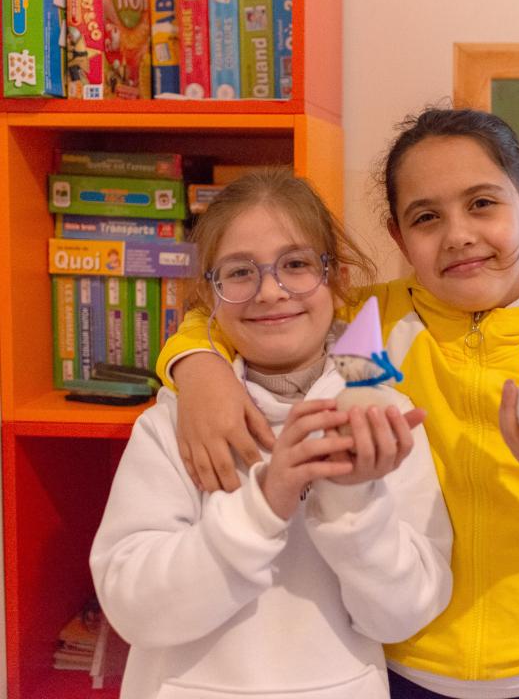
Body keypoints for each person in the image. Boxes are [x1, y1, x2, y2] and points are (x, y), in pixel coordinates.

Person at [157, 108, 519, 699]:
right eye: (426, 217)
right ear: (398, 237)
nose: (459, 234)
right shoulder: (367, 319)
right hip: (396, 671)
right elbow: (249, 312)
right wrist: (198, 367)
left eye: (482, 204)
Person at [90, 170, 453, 699]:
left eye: (297, 265)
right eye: (239, 273)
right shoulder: (173, 424)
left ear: (339, 280)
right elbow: (132, 608)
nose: (269, 291)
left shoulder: (388, 418)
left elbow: (403, 615)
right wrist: (261, 506)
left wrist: (352, 501)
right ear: (208, 295)